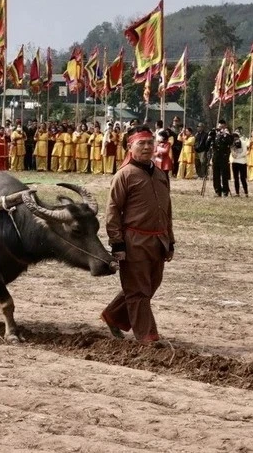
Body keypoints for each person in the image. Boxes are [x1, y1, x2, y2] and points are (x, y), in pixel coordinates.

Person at [102, 126, 174, 344]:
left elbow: (167, 210)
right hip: (134, 241)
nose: (146, 147)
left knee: (149, 285)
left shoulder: (161, 174)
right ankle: (148, 336)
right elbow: (112, 211)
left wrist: (170, 241)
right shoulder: (124, 175)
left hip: (158, 239)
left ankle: (113, 315)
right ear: (130, 147)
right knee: (138, 291)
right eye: (140, 143)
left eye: (150, 142)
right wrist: (117, 244)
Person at [209, 120, 233, 197]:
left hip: (224, 157)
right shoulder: (215, 134)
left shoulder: (227, 134)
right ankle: (217, 190)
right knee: (216, 175)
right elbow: (209, 142)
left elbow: (230, 142)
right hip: (216, 157)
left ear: (225, 126)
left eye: (222, 127)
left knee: (224, 175)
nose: (220, 129)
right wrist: (211, 134)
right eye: (219, 127)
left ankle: (225, 190)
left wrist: (226, 134)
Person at [229, 131, 248, 197]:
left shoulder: (243, 143)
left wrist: (238, 156)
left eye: (235, 138)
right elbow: (232, 152)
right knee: (235, 178)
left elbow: (245, 152)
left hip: (242, 162)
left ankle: (246, 192)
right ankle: (237, 192)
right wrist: (234, 156)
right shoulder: (232, 144)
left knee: (243, 178)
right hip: (234, 162)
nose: (235, 140)